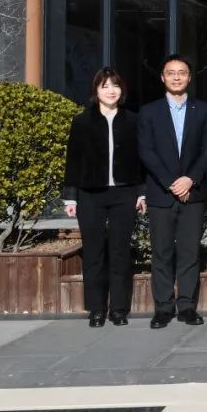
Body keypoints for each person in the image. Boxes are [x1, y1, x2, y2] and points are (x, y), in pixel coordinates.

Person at [63, 67, 146, 327]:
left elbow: (141, 160)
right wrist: (71, 197)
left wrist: (142, 192)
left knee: (120, 252)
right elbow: (73, 160)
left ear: (122, 90)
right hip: (90, 194)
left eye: (115, 85)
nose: (111, 91)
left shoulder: (133, 120)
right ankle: (96, 309)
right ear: (96, 90)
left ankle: (119, 309)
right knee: (94, 252)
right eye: (105, 86)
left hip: (125, 192)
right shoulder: (82, 121)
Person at [137, 54, 207, 329]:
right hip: (161, 193)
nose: (176, 77)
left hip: (193, 193)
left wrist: (190, 179)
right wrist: (172, 182)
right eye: (171, 72)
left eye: (181, 72)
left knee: (190, 252)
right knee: (162, 252)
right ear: (162, 77)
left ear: (189, 77)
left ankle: (187, 306)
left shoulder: (203, 110)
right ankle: (163, 308)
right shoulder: (149, 112)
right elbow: (146, 151)